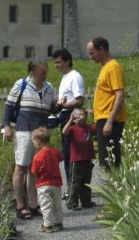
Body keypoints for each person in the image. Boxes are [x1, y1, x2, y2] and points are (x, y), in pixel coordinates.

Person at [3, 58, 57, 220]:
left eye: (46, 71)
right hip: (24, 131)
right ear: (32, 72)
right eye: (42, 72)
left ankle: (34, 205)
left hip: (41, 133)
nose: (45, 74)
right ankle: (20, 205)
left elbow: (53, 108)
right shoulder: (21, 84)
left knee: (35, 169)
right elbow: (9, 106)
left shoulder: (49, 87)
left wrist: (60, 105)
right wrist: (7, 126)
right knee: (21, 167)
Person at [87, 37, 128, 170]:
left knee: (109, 162)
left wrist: (110, 121)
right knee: (106, 160)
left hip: (110, 120)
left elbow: (120, 94)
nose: (90, 57)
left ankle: (113, 188)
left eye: (92, 53)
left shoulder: (113, 67)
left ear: (102, 49)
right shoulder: (106, 67)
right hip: (103, 118)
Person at [52, 48, 85, 185]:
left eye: (59, 62)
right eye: (55, 62)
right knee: (66, 153)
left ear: (67, 61)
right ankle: (72, 186)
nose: (56, 65)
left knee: (71, 153)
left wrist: (63, 106)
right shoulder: (65, 77)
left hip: (71, 116)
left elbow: (79, 100)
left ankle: (74, 188)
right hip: (65, 115)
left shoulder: (74, 76)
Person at [61, 107, 98, 210]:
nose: (79, 118)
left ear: (85, 118)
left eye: (81, 115)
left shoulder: (88, 128)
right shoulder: (73, 128)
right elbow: (64, 132)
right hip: (77, 160)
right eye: (77, 116)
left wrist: (93, 115)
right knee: (75, 182)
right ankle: (72, 202)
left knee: (86, 182)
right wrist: (70, 120)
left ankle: (86, 201)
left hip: (87, 159)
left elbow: (98, 126)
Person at [29, 127, 64, 232]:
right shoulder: (55, 151)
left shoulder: (37, 156)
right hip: (56, 183)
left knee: (46, 205)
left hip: (43, 184)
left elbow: (34, 172)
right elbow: (61, 157)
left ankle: (48, 225)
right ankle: (59, 223)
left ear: (39, 141)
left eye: (33, 141)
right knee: (57, 204)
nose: (33, 144)